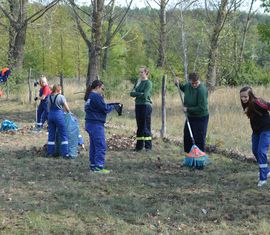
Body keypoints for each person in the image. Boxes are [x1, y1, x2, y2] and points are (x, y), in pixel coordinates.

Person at [84, 80, 121, 173]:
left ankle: (93, 165)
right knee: (101, 146)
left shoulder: (90, 96)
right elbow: (104, 108)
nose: (103, 91)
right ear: (97, 87)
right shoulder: (96, 96)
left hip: (90, 123)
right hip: (96, 124)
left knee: (94, 146)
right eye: (102, 88)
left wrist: (111, 105)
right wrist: (114, 107)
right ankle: (99, 167)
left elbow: (100, 107)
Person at [240, 86, 270, 187]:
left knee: (261, 152)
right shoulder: (246, 104)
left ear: (250, 95)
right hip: (256, 131)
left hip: (266, 130)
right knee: (255, 151)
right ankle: (266, 171)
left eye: (245, 97)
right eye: (241, 97)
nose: (243, 99)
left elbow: (268, 106)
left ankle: (263, 178)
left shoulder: (257, 102)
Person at [174, 72, 209, 154]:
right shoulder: (188, 85)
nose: (194, 85)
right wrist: (177, 84)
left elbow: (201, 108)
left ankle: (199, 160)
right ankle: (189, 156)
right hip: (190, 117)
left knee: (199, 138)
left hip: (201, 117)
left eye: (196, 83)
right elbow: (183, 88)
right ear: (189, 81)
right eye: (192, 83)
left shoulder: (202, 90)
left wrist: (188, 109)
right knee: (187, 136)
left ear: (199, 80)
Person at [130, 67, 152, 152]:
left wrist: (137, 93)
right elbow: (131, 93)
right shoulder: (138, 82)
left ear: (146, 73)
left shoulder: (148, 83)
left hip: (146, 105)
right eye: (139, 72)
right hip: (138, 105)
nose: (140, 74)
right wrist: (139, 93)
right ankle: (139, 147)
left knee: (146, 126)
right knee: (139, 126)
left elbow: (145, 95)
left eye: (142, 72)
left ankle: (148, 147)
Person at [47, 84, 70, 158]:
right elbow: (67, 109)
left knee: (51, 135)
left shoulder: (49, 97)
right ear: (58, 90)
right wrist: (69, 113)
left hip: (50, 116)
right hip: (59, 116)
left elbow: (48, 108)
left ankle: (50, 153)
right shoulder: (61, 97)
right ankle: (65, 153)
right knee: (63, 134)